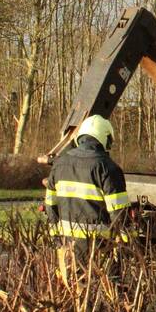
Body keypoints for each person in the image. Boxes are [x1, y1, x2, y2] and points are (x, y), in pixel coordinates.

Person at [44, 115, 129, 281]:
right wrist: (125, 241)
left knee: (71, 286)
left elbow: (50, 204)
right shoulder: (108, 168)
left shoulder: (60, 163)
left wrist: (57, 238)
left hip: (67, 242)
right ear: (104, 138)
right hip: (98, 246)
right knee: (101, 288)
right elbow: (119, 213)